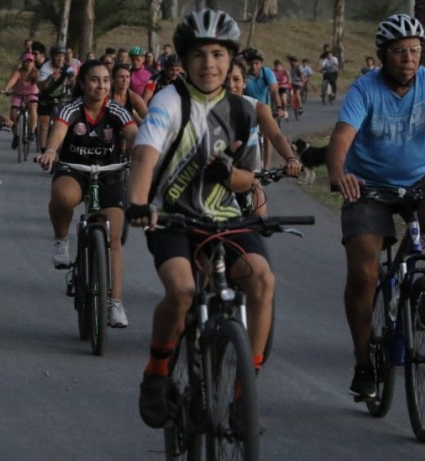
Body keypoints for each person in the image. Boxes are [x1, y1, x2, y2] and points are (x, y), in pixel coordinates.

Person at [326, 13, 425, 400]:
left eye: (414, 51)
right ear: (383, 55)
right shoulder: (365, 89)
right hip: (369, 187)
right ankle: (364, 362)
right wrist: (338, 173)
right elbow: (341, 138)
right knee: (363, 275)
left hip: (423, 182)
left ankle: (423, 288)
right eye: (399, 52)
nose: (408, 58)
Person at [126, 9, 267, 429]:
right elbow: (146, 153)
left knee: (262, 280)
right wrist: (137, 202)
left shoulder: (243, 111)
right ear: (185, 61)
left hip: (225, 217)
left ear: (232, 61)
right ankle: (156, 373)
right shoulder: (170, 101)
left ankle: (245, 396)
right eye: (200, 55)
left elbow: (248, 178)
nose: (210, 64)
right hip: (171, 218)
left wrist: (229, 173)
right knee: (183, 290)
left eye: (219, 55)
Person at [36, 59, 138, 328]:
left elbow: (134, 135)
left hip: (110, 172)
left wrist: (144, 156)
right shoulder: (71, 108)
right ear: (82, 83)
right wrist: (50, 150)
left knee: (114, 239)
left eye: (106, 80)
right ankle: (61, 240)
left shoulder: (117, 110)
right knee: (63, 196)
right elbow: (58, 132)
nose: (101, 86)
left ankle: (115, 303)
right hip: (75, 169)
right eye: (94, 80)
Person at [229, 57, 301, 216]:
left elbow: (275, 135)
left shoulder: (258, 107)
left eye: (236, 79)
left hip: (250, 177)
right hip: (218, 178)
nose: (231, 85)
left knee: (260, 217)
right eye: (226, 79)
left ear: (244, 82)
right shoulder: (208, 109)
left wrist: (291, 158)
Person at [243, 48, 285, 170]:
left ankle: (266, 168)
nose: (254, 66)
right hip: (249, 110)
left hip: (265, 110)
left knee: (267, 136)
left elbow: (274, 92)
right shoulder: (245, 76)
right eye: (251, 63)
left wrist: (279, 107)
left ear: (261, 63)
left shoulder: (267, 73)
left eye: (257, 63)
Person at [37, 45, 75, 153]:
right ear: (53, 57)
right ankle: (44, 150)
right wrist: (51, 77)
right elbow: (41, 86)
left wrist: (73, 86)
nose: (60, 59)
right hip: (46, 97)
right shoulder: (45, 68)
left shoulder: (67, 67)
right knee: (44, 123)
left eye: (62, 56)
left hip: (61, 97)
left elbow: (73, 81)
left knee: (64, 121)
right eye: (58, 56)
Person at [2, 52, 40, 150]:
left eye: (30, 62)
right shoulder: (18, 72)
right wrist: (6, 88)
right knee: (13, 114)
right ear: (23, 62)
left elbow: (41, 84)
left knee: (33, 108)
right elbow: (12, 80)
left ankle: (31, 132)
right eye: (26, 62)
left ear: (33, 63)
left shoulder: (35, 73)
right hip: (18, 95)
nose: (28, 64)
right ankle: (16, 135)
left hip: (31, 95)